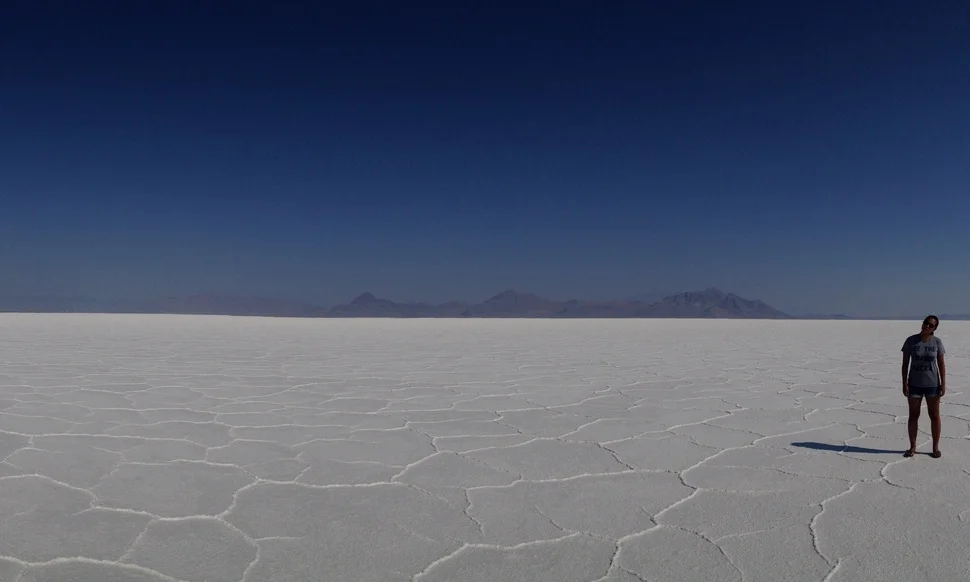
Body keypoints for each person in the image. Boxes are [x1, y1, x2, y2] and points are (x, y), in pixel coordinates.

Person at [901, 315, 946, 458]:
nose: (927, 326)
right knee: (913, 416)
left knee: (934, 415)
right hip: (914, 384)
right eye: (926, 323)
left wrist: (943, 384)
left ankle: (935, 447)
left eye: (931, 325)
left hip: (932, 384)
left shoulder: (937, 342)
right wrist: (904, 383)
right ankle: (912, 447)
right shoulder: (911, 341)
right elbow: (905, 364)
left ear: (934, 329)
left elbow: (941, 364)